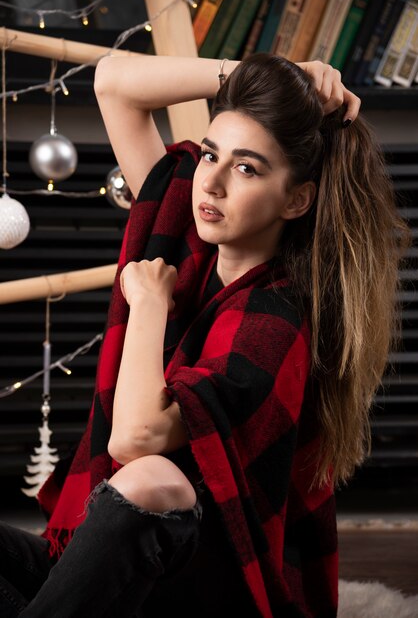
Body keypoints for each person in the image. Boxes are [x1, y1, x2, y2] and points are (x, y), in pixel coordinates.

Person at [0, 53, 410, 618]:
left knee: (152, 481)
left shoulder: (275, 320)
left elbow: (135, 441)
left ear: (296, 199)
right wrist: (278, 72)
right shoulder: (187, 229)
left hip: (212, 585)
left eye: (247, 168)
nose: (210, 181)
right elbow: (114, 84)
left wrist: (147, 302)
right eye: (211, 153)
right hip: (126, 556)